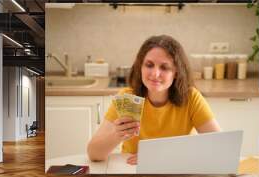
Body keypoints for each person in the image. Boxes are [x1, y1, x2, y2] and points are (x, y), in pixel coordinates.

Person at [87, 35, 221, 165]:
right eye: (149, 65)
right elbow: (93, 154)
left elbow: (219, 147)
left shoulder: (191, 97)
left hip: (175, 172)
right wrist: (116, 135)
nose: (155, 74)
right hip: (132, 171)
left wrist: (161, 156)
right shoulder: (127, 98)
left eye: (164, 67)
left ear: (176, 73)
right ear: (140, 68)